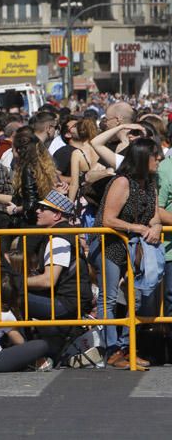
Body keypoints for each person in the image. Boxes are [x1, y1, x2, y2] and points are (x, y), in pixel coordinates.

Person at [92, 138, 162, 369]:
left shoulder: (150, 182)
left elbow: (154, 215)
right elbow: (107, 219)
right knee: (109, 298)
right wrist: (137, 228)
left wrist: (156, 226)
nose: (160, 159)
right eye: (155, 155)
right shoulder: (122, 182)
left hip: (134, 248)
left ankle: (127, 347)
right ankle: (112, 351)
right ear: (143, 157)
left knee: (138, 296)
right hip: (109, 245)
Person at [27, 191, 93, 319]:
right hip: (69, 301)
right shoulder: (61, 234)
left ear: (57, 215)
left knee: (10, 294)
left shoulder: (59, 240)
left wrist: (15, 281)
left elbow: (48, 281)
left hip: (66, 304)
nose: (37, 211)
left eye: (43, 209)